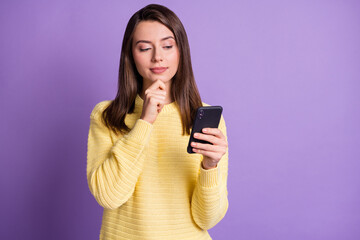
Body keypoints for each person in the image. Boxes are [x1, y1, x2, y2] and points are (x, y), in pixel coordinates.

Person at [86, 4, 229, 240]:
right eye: (144, 48)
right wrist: (145, 122)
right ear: (131, 55)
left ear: (181, 50)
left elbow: (207, 219)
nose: (157, 57)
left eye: (167, 46)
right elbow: (108, 197)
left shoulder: (203, 118)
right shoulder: (106, 115)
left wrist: (210, 166)